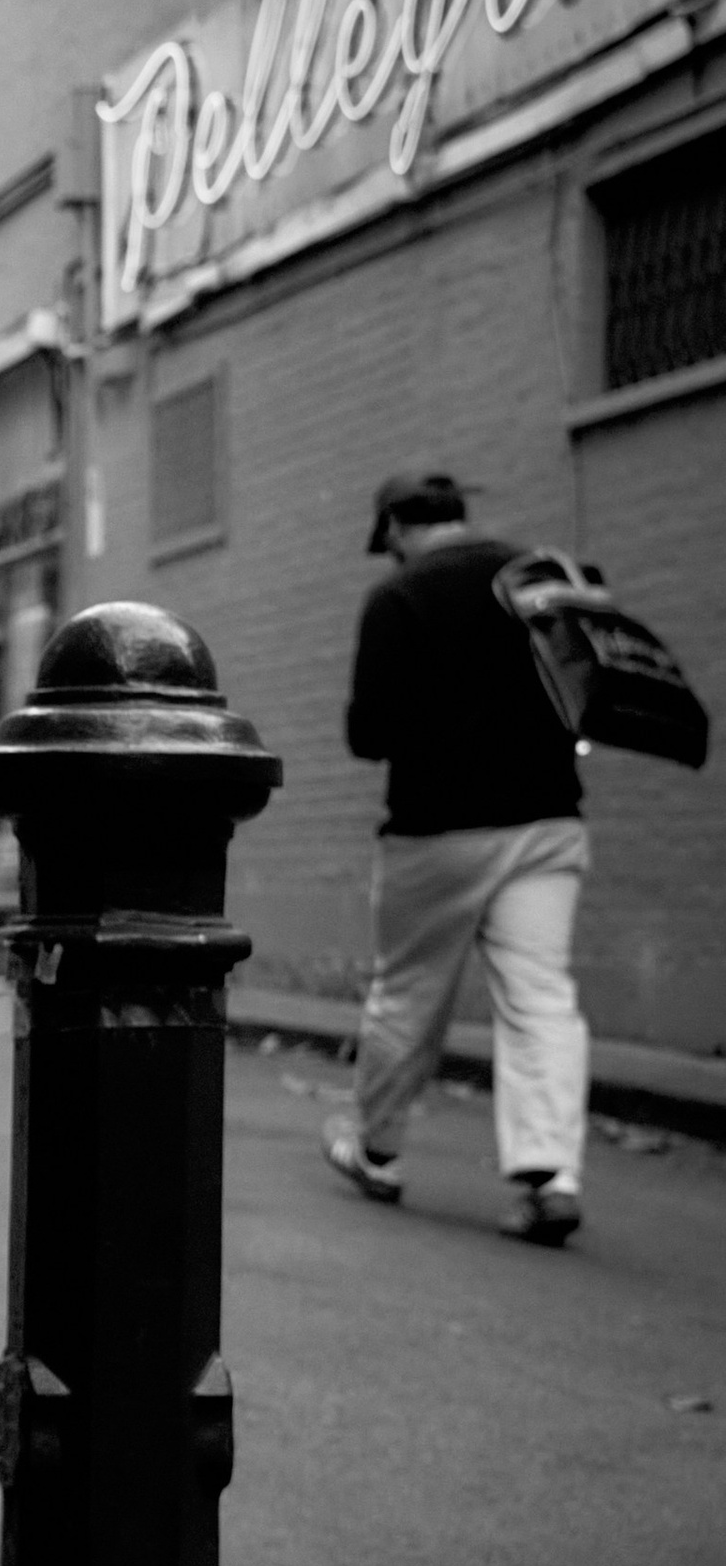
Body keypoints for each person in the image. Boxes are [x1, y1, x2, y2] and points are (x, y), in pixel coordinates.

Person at [324, 471, 590, 1245]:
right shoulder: (537, 577)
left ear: (398, 528)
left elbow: (367, 734)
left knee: (408, 993)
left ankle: (376, 1149)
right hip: (548, 822)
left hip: (437, 831)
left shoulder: (399, 598)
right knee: (540, 995)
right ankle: (549, 1176)